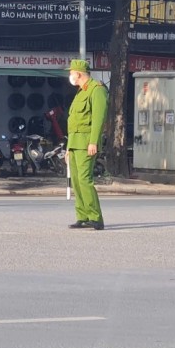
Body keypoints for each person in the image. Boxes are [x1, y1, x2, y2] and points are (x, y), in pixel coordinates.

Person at [65, 59, 108, 230]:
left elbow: (98, 119)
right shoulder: (80, 92)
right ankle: (82, 216)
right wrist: (68, 147)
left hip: (86, 143)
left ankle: (96, 217)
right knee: (76, 181)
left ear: (79, 74)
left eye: (71, 73)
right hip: (75, 143)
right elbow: (73, 122)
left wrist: (93, 142)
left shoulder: (96, 90)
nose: (70, 76)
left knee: (84, 180)